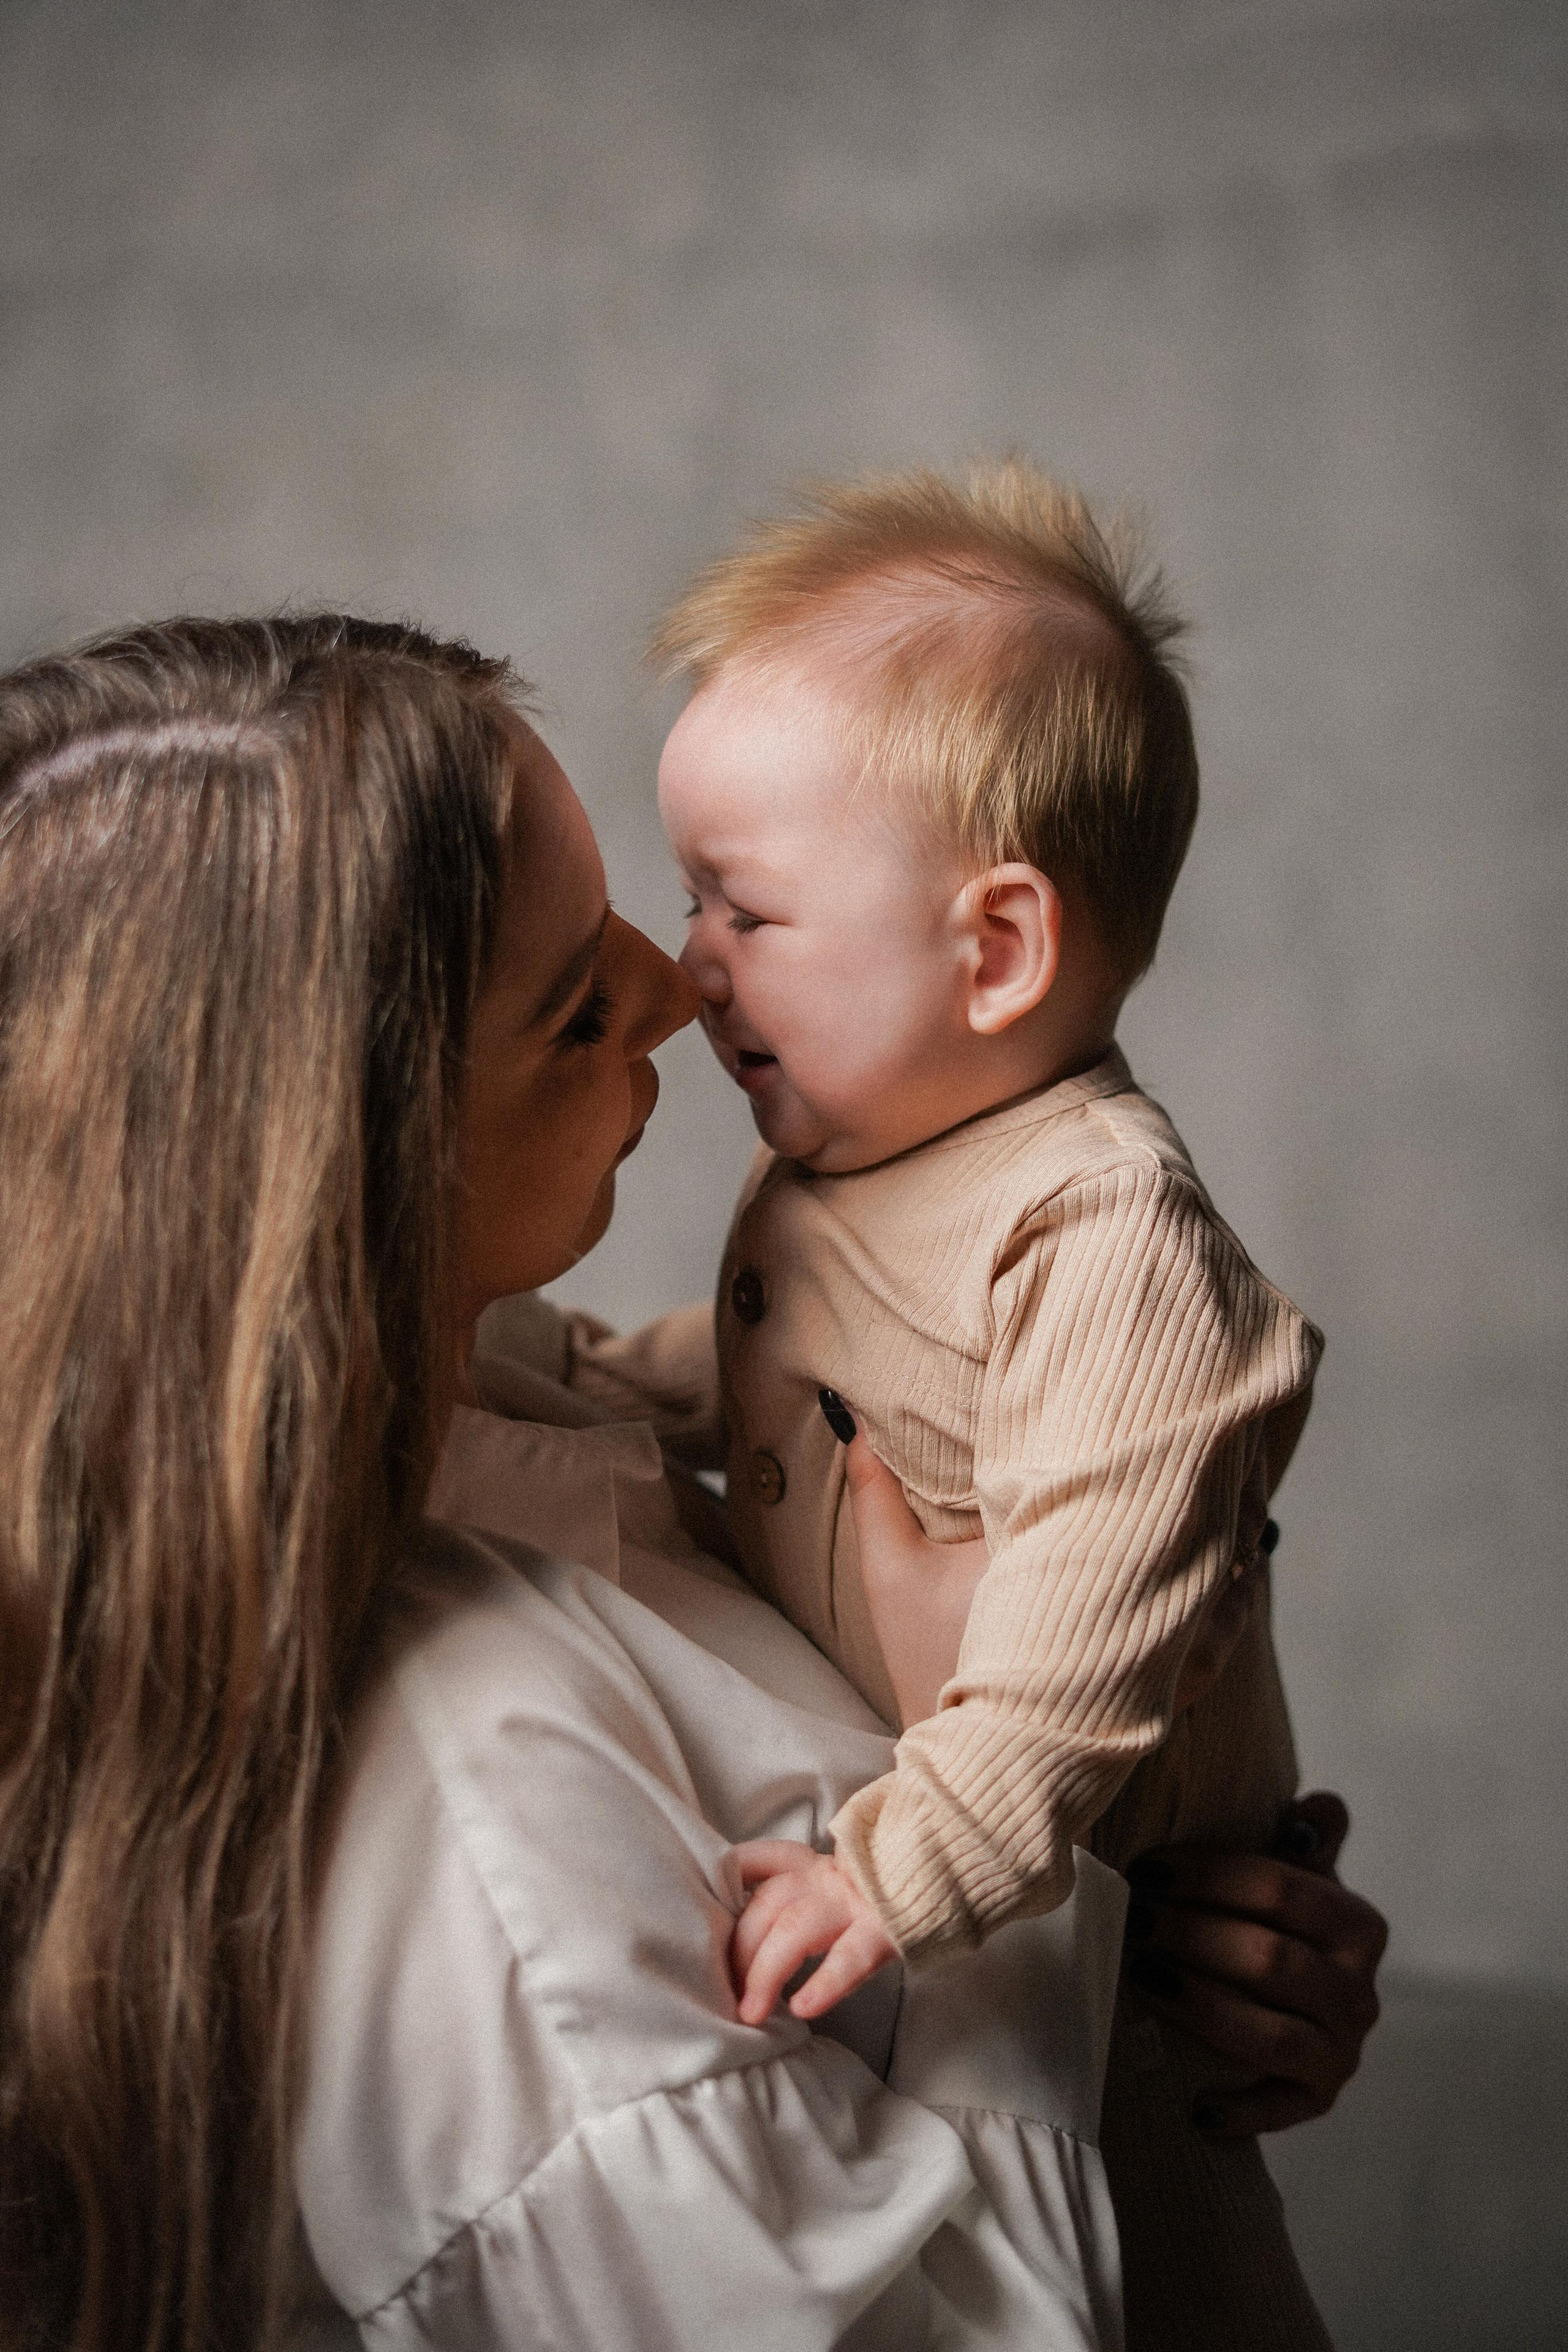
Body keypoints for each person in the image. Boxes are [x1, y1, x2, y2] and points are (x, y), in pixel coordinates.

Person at [0, 611, 1383, 2352]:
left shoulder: (487, 1401)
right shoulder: (491, 1821)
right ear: (352, 1162)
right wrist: (1064, 1944)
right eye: (580, 1003)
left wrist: (1177, 1933)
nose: (676, 984)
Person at [641, 456, 1342, 2345]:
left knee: (1171, 2280)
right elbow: (780, 1368)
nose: (685, 963)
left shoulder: (1102, 1241)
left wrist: (896, 1873)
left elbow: (1077, 1660)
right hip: (979, 1939)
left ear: (999, 949)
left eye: (746, 910)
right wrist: (574, 1376)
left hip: (1117, 1938)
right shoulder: (874, 1147)